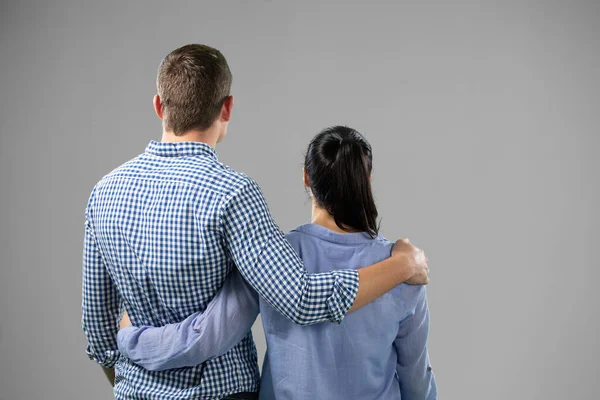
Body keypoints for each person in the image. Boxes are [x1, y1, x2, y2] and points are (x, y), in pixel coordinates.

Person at [81, 44, 429, 400]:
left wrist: (131, 355)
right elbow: (303, 298)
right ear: (227, 108)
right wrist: (402, 265)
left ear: (159, 105)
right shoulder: (232, 194)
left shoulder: (103, 193)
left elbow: (98, 330)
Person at [117, 126, 437, 399]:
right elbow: (416, 378)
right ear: (366, 178)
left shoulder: (271, 258)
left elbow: (205, 338)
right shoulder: (402, 268)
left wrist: (131, 338)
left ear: (306, 178)